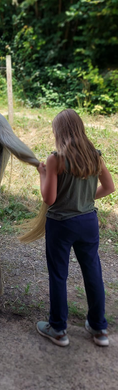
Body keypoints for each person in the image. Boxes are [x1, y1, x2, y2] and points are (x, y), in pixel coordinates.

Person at [36, 109, 115, 347]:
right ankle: (99, 329)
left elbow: (49, 199)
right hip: (88, 222)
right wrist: (86, 201)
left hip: (61, 224)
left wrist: (42, 175)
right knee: (93, 272)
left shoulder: (55, 159)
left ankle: (58, 329)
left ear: (58, 132)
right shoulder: (95, 156)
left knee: (59, 275)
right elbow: (110, 188)